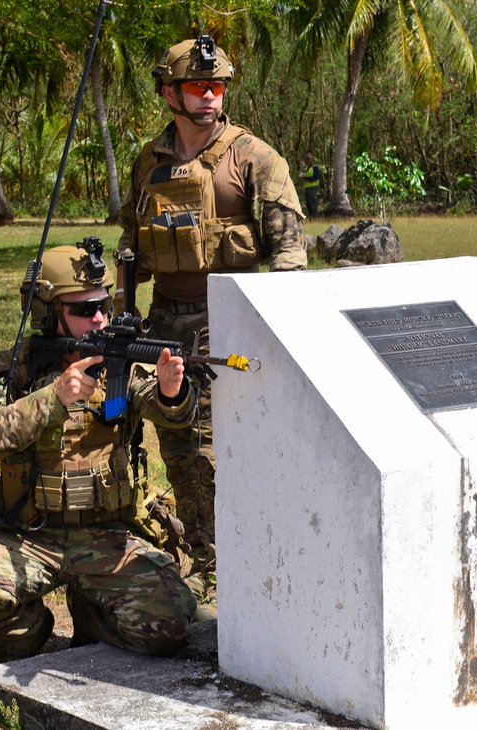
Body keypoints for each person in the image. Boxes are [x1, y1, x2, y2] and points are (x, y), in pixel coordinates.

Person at [0, 243, 199, 659]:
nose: (99, 318)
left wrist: (170, 391)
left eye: (104, 305)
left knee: (173, 622)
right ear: (46, 314)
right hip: (28, 534)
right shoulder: (13, 369)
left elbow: (167, 411)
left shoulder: (120, 363)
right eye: (84, 309)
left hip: (107, 535)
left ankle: (92, 614)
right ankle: (29, 629)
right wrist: (52, 399)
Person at [116, 35, 307, 607]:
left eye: (217, 86)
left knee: (221, 450)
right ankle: (203, 556)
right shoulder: (150, 163)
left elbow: (290, 255)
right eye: (197, 86)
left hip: (231, 328)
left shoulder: (256, 159)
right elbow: (131, 249)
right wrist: (121, 324)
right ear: (169, 93)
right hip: (163, 328)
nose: (209, 96)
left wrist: (279, 334)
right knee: (176, 446)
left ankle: (234, 564)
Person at [301, 153, 321, 218]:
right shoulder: (307, 168)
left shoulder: (315, 167)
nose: (308, 161)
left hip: (313, 188)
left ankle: (316, 216)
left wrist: (306, 178)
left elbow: (316, 177)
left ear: (312, 159)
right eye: (307, 159)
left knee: (313, 203)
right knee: (308, 203)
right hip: (307, 188)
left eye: (309, 159)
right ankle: (311, 217)